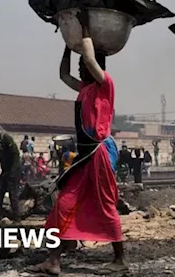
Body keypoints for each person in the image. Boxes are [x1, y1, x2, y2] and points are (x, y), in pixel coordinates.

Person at [28, 43, 126, 276]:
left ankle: (120, 259)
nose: (82, 69)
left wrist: (84, 39)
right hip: (84, 156)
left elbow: (92, 61)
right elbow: (63, 74)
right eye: (80, 66)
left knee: (105, 204)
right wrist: (67, 45)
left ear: (96, 67)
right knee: (64, 203)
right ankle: (53, 260)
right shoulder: (84, 89)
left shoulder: (106, 85)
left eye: (84, 65)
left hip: (100, 152)